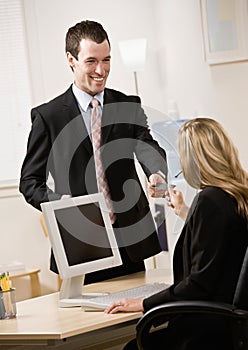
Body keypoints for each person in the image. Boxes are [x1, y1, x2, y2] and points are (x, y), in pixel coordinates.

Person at [19, 20, 168, 284]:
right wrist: (59, 201)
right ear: (71, 59)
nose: (101, 70)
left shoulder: (127, 104)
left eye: (106, 60)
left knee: (134, 315)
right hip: (81, 243)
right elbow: (30, 183)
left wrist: (156, 171)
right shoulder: (48, 116)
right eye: (91, 61)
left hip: (130, 239)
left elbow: (147, 146)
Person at [105, 117, 248, 350]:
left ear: (191, 159)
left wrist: (144, 303)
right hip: (230, 326)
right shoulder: (238, 194)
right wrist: (185, 212)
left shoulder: (210, 199)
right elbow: (222, 242)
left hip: (206, 332)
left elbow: (198, 284)